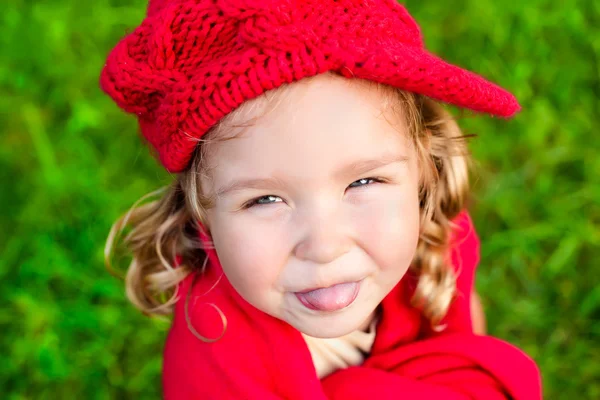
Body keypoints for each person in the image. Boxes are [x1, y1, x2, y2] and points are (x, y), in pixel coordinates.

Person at [102, 0, 541, 398]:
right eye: (265, 200)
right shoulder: (216, 355)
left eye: (364, 183)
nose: (325, 246)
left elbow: (464, 334)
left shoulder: (439, 233)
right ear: (200, 210)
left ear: (424, 165)